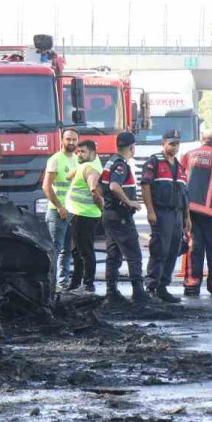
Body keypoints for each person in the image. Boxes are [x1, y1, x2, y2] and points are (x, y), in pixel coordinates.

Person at [100, 131, 149, 304]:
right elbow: (114, 186)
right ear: (132, 147)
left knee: (113, 255)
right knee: (134, 254)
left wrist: (106, 206)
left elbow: (101, 188)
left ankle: (111, 292)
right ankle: (138, 292)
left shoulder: (110, 162)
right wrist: (129, 202)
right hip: (120, 217)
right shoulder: (121, 165)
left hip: (110, 215)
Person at [142, 129, 189, 303]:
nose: (175, 147)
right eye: (171, 143)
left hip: (177, 215)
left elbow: (185, 195)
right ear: (163, 144)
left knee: (173, 250)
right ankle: (152, 286)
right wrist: (150, 211)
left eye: (177, 144)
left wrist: (187, 218)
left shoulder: (180, 167)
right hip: (161, 213)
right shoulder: (154, 162)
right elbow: (145, 186)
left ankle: (163, 287)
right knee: (159, 249)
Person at [180, 129, 212, 299]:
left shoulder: (188, 155)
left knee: (193, 247)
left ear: (202, 139)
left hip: (190, 210)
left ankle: (192, 284)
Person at [41, 128, 79, 288]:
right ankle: (50, 284)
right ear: (62, 140)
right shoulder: (55, 160)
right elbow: (46, 186)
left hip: (73, 212)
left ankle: (63, 284)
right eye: (68, 139)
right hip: (58, 212)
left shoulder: (77, 160)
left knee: (68, 250)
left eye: (74, 140)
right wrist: (59, 207)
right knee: (54, 250)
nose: (71, 142)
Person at [65, 139, 104, 292]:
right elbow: (68, 175)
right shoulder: (85, 165)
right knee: (77, 251)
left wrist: (101, 208)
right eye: (78, 152)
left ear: (93, 153)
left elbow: (93, 190)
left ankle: (88, 284)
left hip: (85, 215)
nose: (79, 154)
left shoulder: (90, 169)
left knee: (85, 251)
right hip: (79, 214)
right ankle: (75, 283)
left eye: (83, 152)